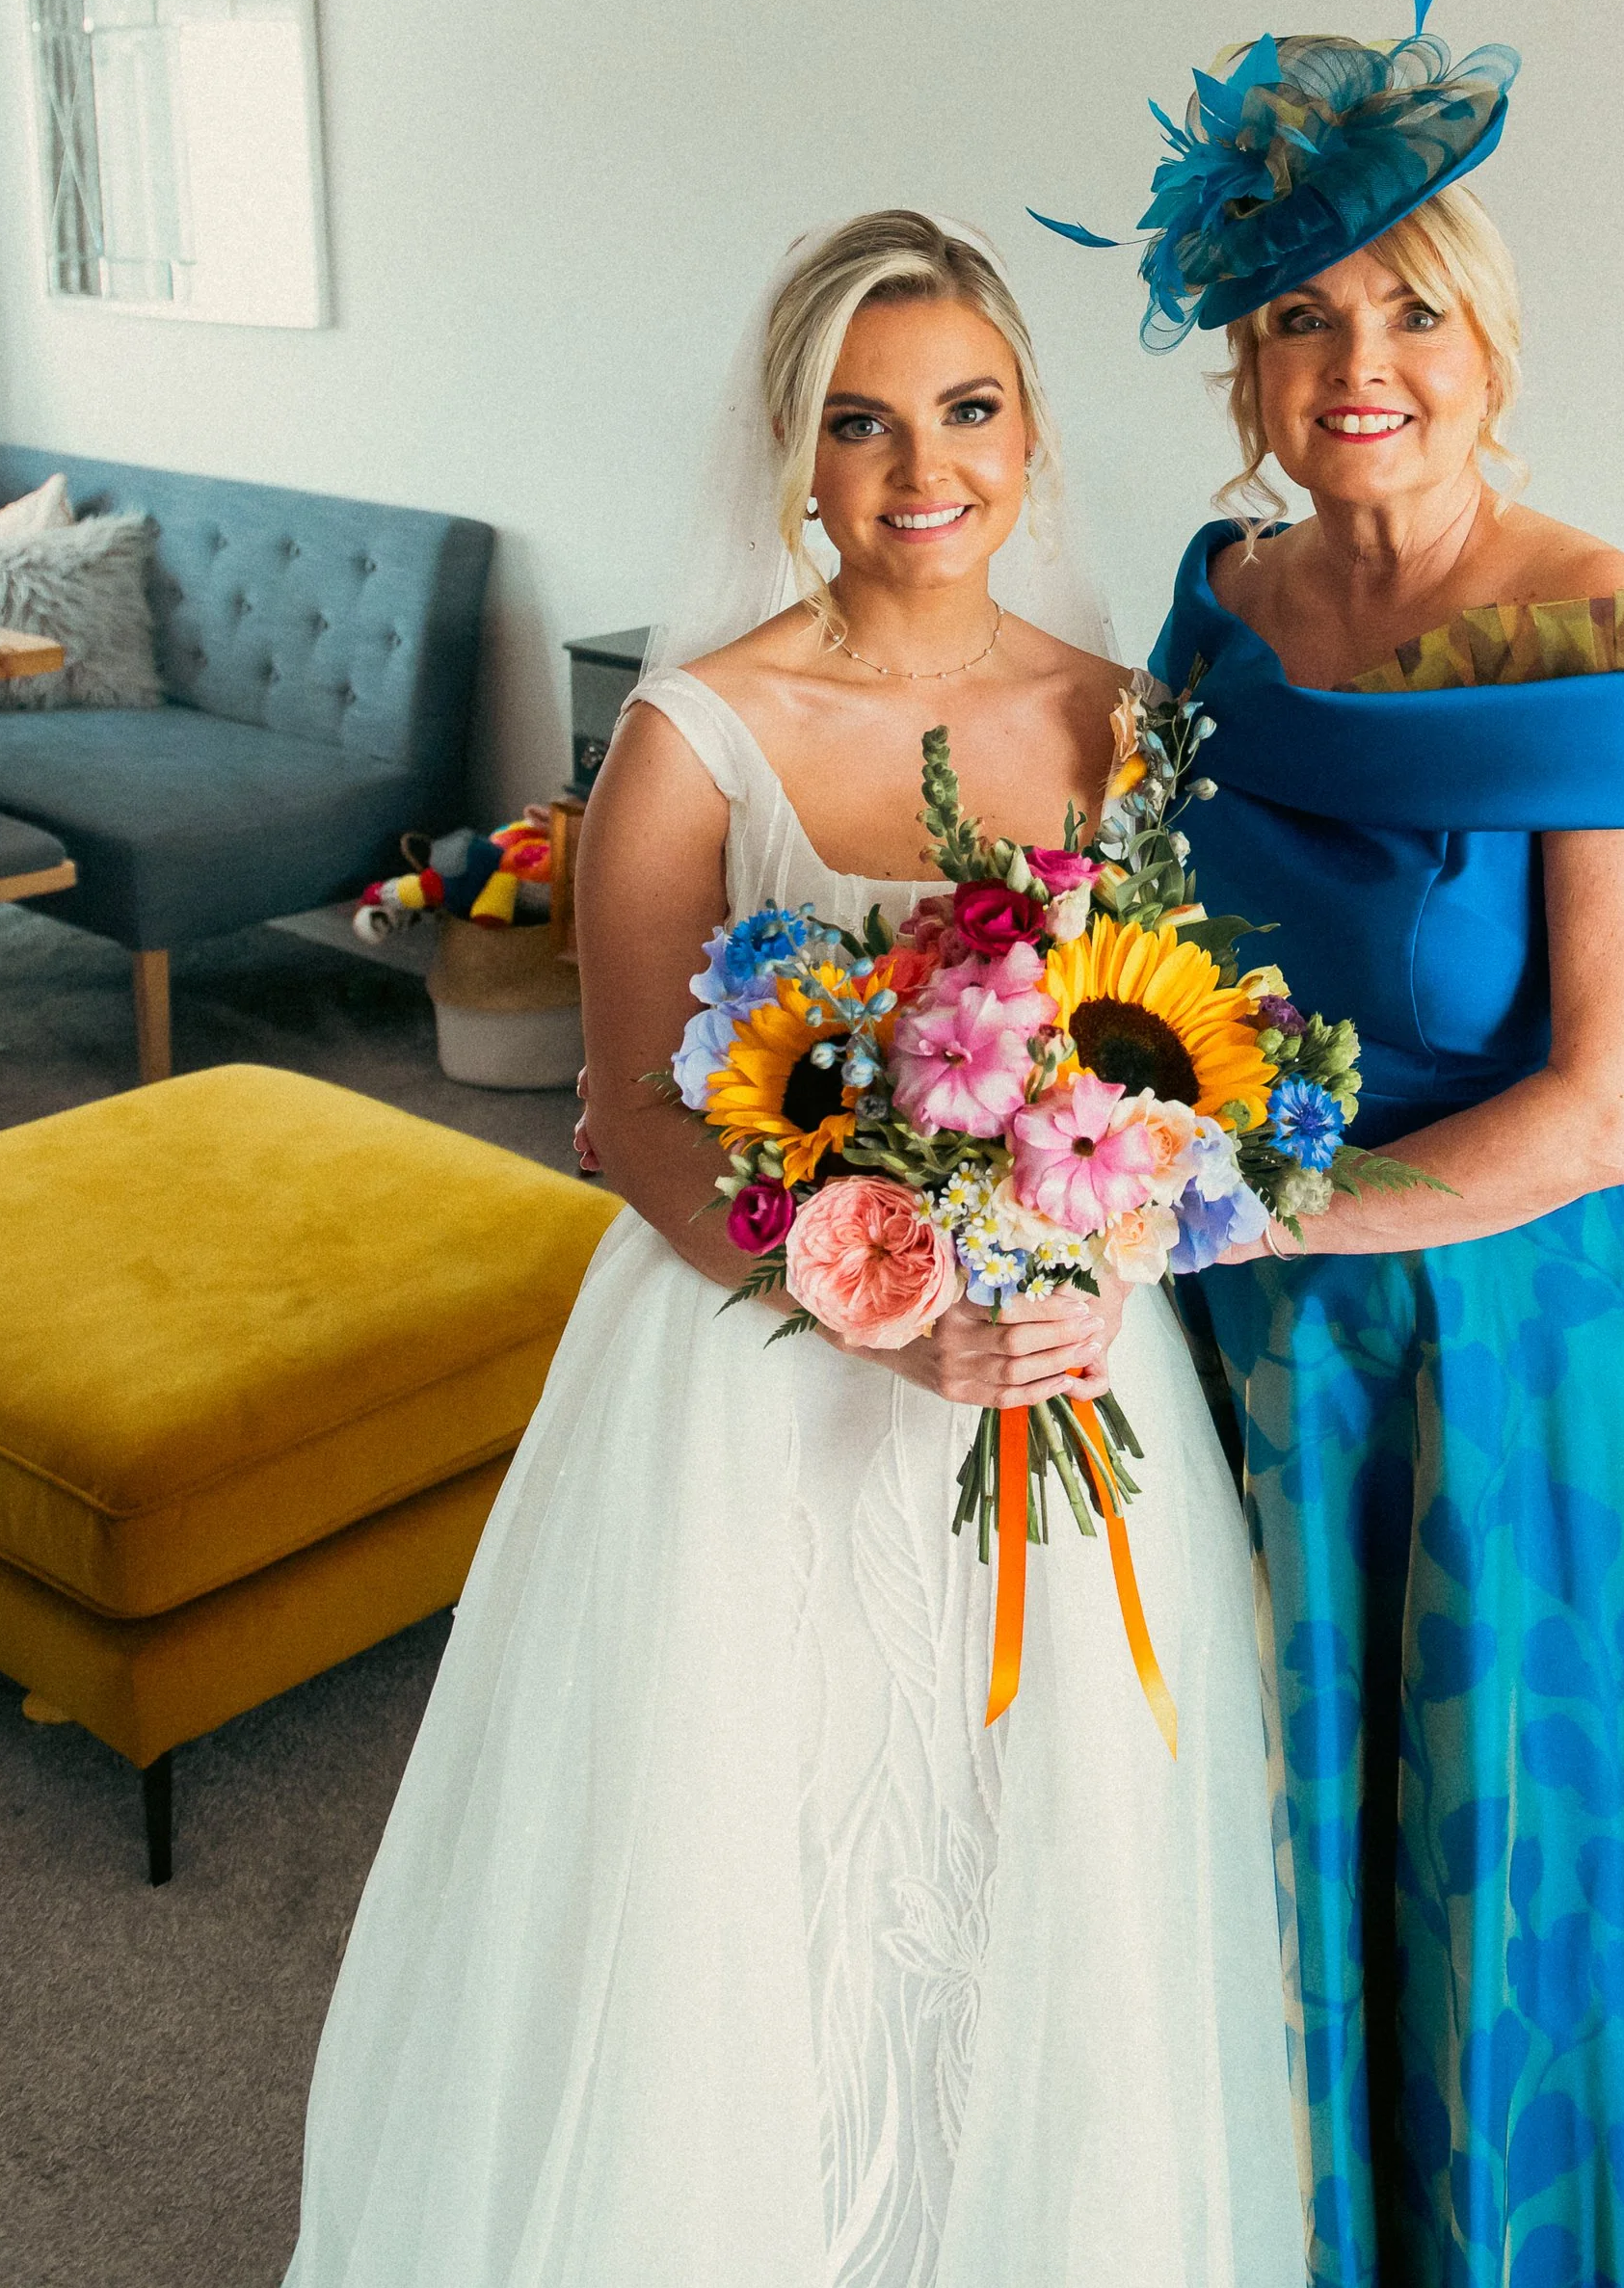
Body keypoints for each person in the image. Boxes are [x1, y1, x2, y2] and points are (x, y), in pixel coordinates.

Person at [283, 211, 1302, 2288]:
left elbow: (1182, 1075)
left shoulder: (1131, 725)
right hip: (760, 1402)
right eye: (859, 421)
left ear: (1027, 436)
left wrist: (1111, 1251)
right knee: (734, 1895)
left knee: (1054, 1881)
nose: (920, 465)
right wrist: (884, 1308)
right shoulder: (693, 734)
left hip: (1061, 1377)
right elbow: (635, 1121)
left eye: (964, 408)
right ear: (792, 459)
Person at [1042, 0, 1624, 2288]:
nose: (1364, 361)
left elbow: (1610, 1117)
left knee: (1511, 1867)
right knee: (1253, 1825)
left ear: (1489, 340)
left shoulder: (1606, 635)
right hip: (1238, 1319)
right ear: (1242, 369)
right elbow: (1154, 934)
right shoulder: (1221, 604)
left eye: (1413, 306)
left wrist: (1214, 1227)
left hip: (1502, 1340)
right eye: (1306, 313)